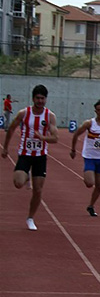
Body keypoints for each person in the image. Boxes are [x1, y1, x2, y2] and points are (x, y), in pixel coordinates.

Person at [1, 85, 59, 231]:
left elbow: (55, 138)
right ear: (33, 98)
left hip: (40, 156)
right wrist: (6, 148)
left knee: (38, 190)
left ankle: (30, 218)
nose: (40, 101)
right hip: (25, 154)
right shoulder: (24, 113)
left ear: (46, 99)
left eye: (43, 98)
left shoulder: (50, 116)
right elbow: (12, 129)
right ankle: (26, 177)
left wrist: (43, 137)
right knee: (18, 183)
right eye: (37, 98)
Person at [69, 98, 100, 217]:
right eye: (98, 110)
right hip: (89, 156)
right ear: (95, 111)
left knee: (99, 185)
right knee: (90, 183)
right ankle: (87, 174)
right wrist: (73, 150)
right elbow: (76, 134)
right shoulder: (89, 123)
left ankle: (91, 206)